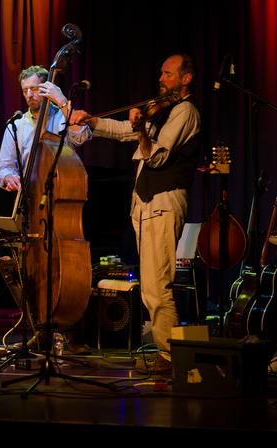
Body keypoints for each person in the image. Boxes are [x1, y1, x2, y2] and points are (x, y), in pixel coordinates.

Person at [70, 53, 202, 373]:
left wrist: (142, 131)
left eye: (168, 74)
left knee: (158, 287)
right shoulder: (163, 112)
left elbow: (156, 156)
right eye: (161, 72)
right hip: (145, 205)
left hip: (164, 202)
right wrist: (92, 122)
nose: (161, 78)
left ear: (185, 79)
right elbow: (123, 131)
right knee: (151, 287)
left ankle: (170, 357)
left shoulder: (185, 112)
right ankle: (167, 354)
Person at [0, 65, 92, 355]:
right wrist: (8, 177)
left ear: (46, 88)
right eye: (25, 90)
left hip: (60, 201)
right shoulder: (16, 126)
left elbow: (82, 136)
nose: (30, 95)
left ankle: (75, 332)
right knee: (30, 269)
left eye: (35, 88)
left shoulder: (60, 118)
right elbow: (3, 166)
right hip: (30, 205)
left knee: (67, 267)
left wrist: (65, 105)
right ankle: (41, 331)